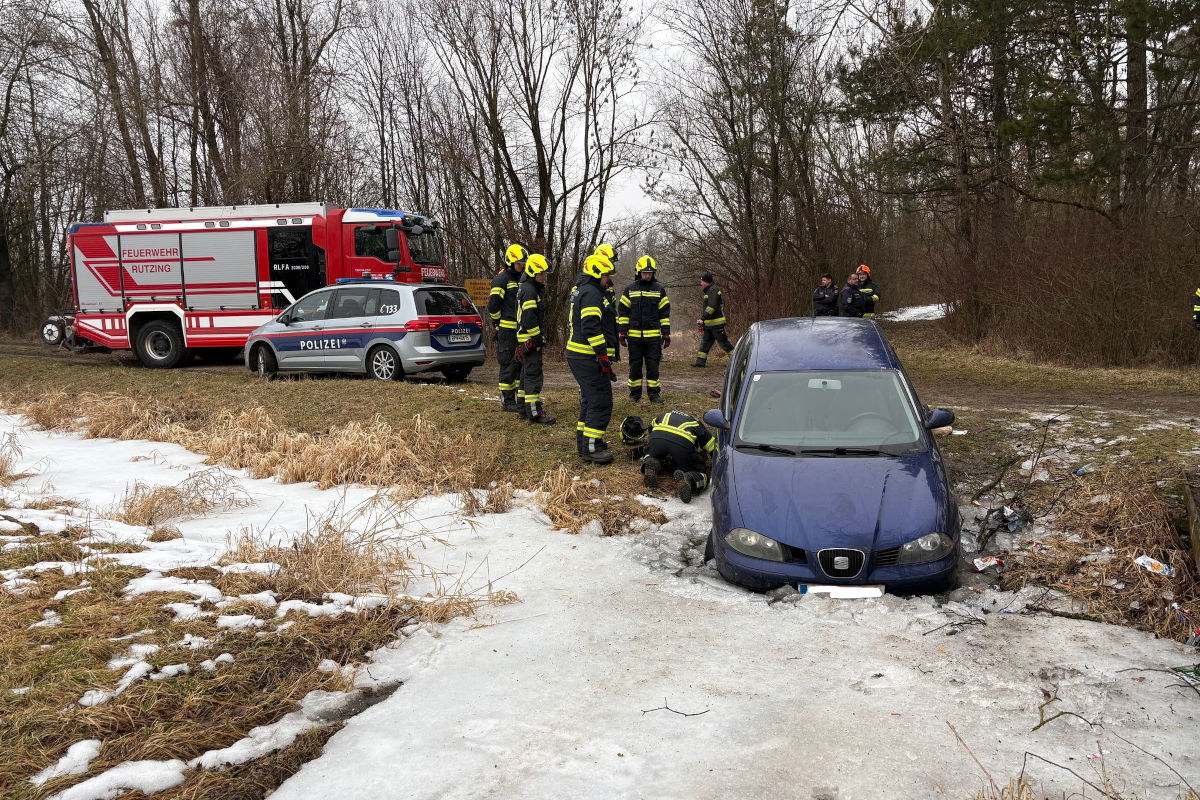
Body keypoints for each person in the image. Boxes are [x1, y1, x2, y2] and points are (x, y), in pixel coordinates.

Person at [566, 253, 619, 464]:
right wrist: (602, 355)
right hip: (586, 356)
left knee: (589, 400)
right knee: (600, 400)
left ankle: (585, 442)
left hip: (581, 355)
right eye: (607, 275)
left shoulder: (585, 291)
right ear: (597, 273)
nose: (609, 279)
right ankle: (591, 447)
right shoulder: (592, 294)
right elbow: (590, 327)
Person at [618, 256, 671, 403]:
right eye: (644, 273)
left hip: (653, 339)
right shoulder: (630, 289)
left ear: (654, 273)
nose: (647, 275)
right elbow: (623, 312)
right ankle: (634, 394)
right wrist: (622, 333)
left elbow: (664, 314)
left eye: (650, 273)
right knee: (635, 366)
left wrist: (666, 334)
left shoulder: (659, 290)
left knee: (653, 366)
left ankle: (654, 394)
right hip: (634, 338)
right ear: (638, 272)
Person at [639, 410, 716, 504]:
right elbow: (712, 447)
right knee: (702, 475)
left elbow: (651, 429)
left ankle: (652, 463)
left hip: (657, 440)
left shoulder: (665, 414)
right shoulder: (696, 423)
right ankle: (690, 478)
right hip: (681, 446)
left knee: (651, 454)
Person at [487, 244, 526, 416]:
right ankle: (507, 401)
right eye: (519, 263)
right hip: (507, 331)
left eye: (523, 263)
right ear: (510, 262)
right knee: (508, 365)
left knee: (519, 366)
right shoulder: (501, 279)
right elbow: (493, 305)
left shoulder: (522, 278)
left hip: (520, 331)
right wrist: (497, 322)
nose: (522, 265)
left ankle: (518, 399)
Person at [515, 254, 555, 425]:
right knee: (533, 375)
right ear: (532, 272)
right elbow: (529, 318)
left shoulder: (527, 288)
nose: (544, 277)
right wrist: (537, 340)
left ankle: (523, 409)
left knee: (525, 375)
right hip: (530, 339)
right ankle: (534, 412)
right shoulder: (530, 290)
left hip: (525, 339)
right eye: (541, 274)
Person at [692, 273, 734, 367]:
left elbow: (712, 307)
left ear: (706, 282)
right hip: (709, 325)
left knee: (724, 344)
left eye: (702, 281)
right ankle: (700, 363)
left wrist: (703, 318)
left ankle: (737, 360)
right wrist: (704, 321)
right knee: (705, 343)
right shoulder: (709, 291)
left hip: (716, 324)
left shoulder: (714, 290)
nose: (701, 283)